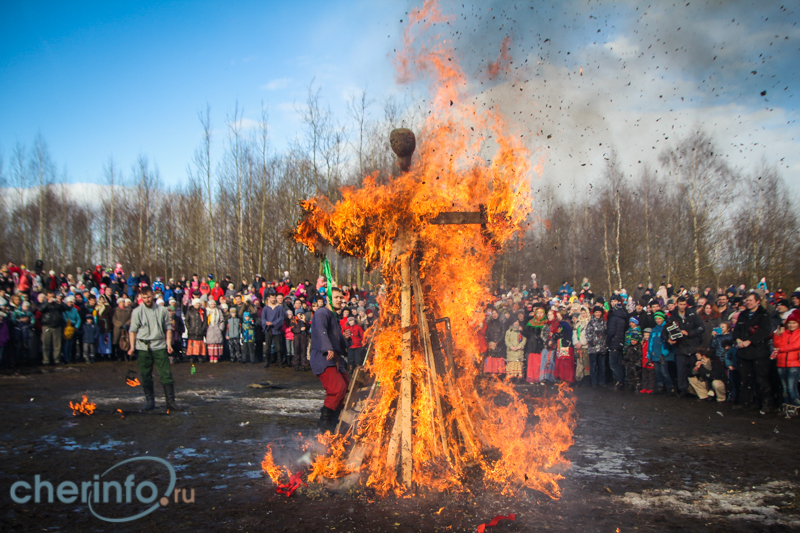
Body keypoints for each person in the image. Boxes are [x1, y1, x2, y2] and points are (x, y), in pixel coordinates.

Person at [128, 287, 178, 411]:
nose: (147, 300)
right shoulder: (137, 311)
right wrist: (131, 347)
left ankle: (170, 402)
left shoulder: (162, 310)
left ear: (153, 295)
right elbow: (133, 330)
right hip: (143, 347)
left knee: (166, 374)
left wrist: (169, 344)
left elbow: (168, 328)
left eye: (149, 297)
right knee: (145, 375)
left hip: (159, 346)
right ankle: (150, 402)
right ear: (141, 298)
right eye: (144, 297)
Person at [310, 287, 350, 431]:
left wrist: (346, 338)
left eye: (341, 297)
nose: (340, 300)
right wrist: (328, 347)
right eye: (337, 297)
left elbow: (340, 342)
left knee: (346, 388)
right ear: (328, 298)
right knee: (337, 389)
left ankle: (334, 425)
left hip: (335, 359)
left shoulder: (333, 316)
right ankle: (324, 426)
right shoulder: (322, 312)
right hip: (323, 357)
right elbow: (321, 330)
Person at [732, 292, 775, 413]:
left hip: (758, 352)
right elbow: (736, 330)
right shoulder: (742, 314)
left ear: (757, 301)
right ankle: (745, 402)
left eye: (751, 300)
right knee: (745, 378)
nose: (748, 302)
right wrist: (737, 339)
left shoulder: (764, 314)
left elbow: (764, 331)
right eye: (747, 300)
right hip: (744, 352)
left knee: (761, 378)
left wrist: (750, 341)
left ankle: (766, 403)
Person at [665, 296, 705, 398]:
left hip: (693, 345)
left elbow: (701, 327)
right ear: (677, 304)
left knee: (693, 369)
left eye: (684, 304)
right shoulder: (673, 316)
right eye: (680, 304)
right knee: (681, 370)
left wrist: (689, 333)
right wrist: (668, 340)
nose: (682, 307)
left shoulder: (692, 314)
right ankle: (683, 389)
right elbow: (664, 332)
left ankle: (695, 390)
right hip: (680, 347)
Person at [772, 309, 800, 412]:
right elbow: (776, 344)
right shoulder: (784, 333)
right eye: (790, 323)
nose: (792, 325)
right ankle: (786, 406)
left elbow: (796, 345)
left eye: (794, 323)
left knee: (791, 387)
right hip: (781, 363)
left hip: (794, 363)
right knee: (784, 387)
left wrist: (782, 349)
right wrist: (778, 335)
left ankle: (795, 406)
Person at [606, 295, 628, 390]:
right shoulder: (624, 315)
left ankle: (619, 381)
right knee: (619, 363)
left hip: (614, 342)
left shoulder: (614, 317)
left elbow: (611, 331)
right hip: (621, 341)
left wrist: (607, 341)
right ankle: (620, 380)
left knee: (613, 363)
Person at [40, 292, 66, 365]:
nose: (51, 297)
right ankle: (46, 360)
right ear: (47, 297)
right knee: (46, 344)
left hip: (57, 326)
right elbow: (40, 309)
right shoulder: (44, 303)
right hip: (47, 326)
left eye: (52, 296)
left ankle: (56, 359)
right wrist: (48, 303)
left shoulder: (57, 304)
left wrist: (60, 303)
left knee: (57, 345)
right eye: (50, 296)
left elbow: (64, 309)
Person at [262, 293, 286, 368]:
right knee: (267, 347)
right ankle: (267, 362)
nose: (273, 299)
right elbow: (263, 318)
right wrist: (266, 323)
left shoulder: (279, 308)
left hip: (277, 329)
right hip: (268, 329)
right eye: (271, 298)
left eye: (274, 298)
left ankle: (279, 362)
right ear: (269, 298)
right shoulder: (266, 308)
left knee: (278, 347)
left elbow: (281, 318)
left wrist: (273, 323)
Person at [185, 299, 207, 363]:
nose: (197, 305)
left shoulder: (202, 311)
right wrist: (189, 328)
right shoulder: (189, 311)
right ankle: (192, 356)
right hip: (192, 330)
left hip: (200, 330)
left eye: (198, 303)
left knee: (199, 343)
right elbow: (186, 320)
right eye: (196, 303)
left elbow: (205, 321)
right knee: (192, 344)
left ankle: (200, 356)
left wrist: (203, 328)